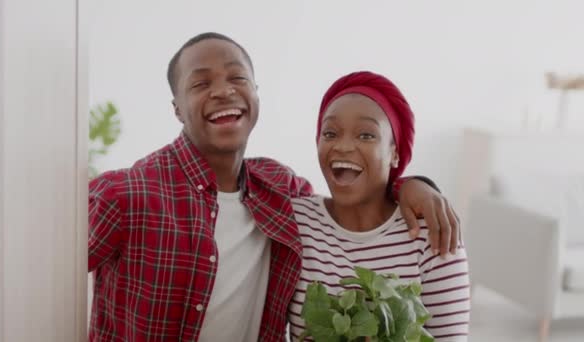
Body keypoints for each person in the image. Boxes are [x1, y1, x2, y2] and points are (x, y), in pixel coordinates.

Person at [88, 32, 461, 341]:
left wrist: (412, 185)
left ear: (255, 93)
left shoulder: (278, 192)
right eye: (201, 83)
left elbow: (354, 200)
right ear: (177, 109)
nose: (222, 91)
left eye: (237, 78)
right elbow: (38, 272)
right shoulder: (126, 194)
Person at [289, 71, 470, 341]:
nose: (344, 146)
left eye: (366, 135)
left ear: (395, 153)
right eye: (330, 133)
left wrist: (409, 184)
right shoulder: (295, 221)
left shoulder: (430, 233)